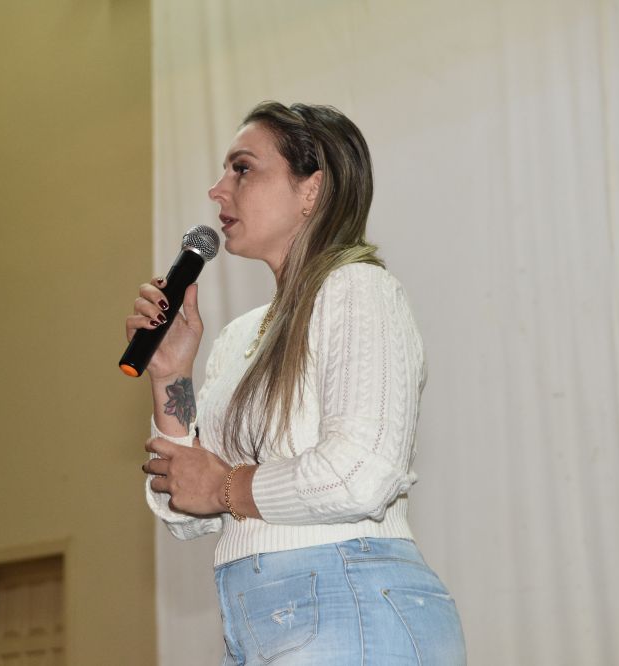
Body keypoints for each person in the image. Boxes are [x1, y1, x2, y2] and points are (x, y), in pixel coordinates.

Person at [128, 101, 466, 665]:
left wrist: (225, 487)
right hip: (256, 619)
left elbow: (361, 474)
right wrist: (170, 374)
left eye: (242, 168)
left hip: (351, 601)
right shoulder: (240, 337)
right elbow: (183, 507)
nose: (217, 190)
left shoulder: (357, 289)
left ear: (312, 188)